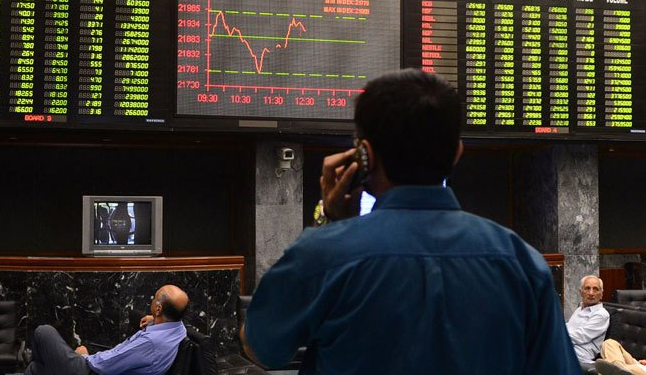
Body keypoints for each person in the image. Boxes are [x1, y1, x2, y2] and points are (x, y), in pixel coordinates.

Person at [239, 68, 581, 374]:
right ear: (457, 152)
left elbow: (261, 348)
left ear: (365, 156)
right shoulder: (524, 264)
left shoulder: (322, 254)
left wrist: (329, 223)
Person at [25, 284, 189, 375]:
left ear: (159, 309)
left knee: (43, 332)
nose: (151, 300)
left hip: (92, 371)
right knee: (36, 370)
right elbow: (175, 320)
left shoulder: (150, 343)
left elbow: (108, 366)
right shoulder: (177, 328)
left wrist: (85, 357)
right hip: (102, 367)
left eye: (154, 298)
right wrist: (155, 318)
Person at [565, 275, 610, 371]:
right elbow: (568, 327)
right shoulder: (580, 309)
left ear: (601, 294)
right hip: (567, 346)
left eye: (596, 289)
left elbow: (579, 337)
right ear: (580, 292)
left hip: (579, 354)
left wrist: (556, 337)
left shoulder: (601, 315)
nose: (591, 293)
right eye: (587, 288)